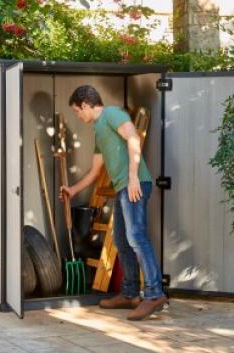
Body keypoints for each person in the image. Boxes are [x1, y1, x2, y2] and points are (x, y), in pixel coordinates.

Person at [60, 85, 167, 321]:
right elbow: (95, 172)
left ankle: (154, 294)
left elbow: (133, 138)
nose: (79, 116)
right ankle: (129, 294)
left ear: (86, 105)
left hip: (135, 184)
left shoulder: (112, 114)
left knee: (136, 237)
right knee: (121, 239)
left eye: (78, 111)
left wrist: (132, 178)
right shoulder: (99, 130)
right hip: (123, 188)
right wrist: (72, 189)